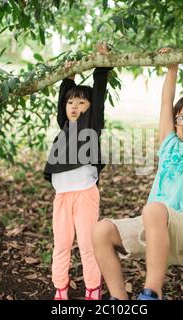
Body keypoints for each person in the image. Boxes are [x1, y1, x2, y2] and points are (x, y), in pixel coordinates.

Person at [92, 38, 183, 300]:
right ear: (175, 124)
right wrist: (171, 68)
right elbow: (166, 104)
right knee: (101, 231)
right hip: (153, 227)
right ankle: (119, 300)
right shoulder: (169, 144)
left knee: (153, 209)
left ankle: (152, 293)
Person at [43, 41, 112, 300]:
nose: (74, 106)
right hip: (62, 197)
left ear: (90, 107)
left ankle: (93, 289)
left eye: (81, 102)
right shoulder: (64, 125)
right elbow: (64, 96)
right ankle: (60, 288)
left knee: (87, 245)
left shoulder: (91, 125)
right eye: (71, 102)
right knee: (61, 244)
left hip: (84, 195)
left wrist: (101, 65)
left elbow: (100, 93)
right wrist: (68, 76)